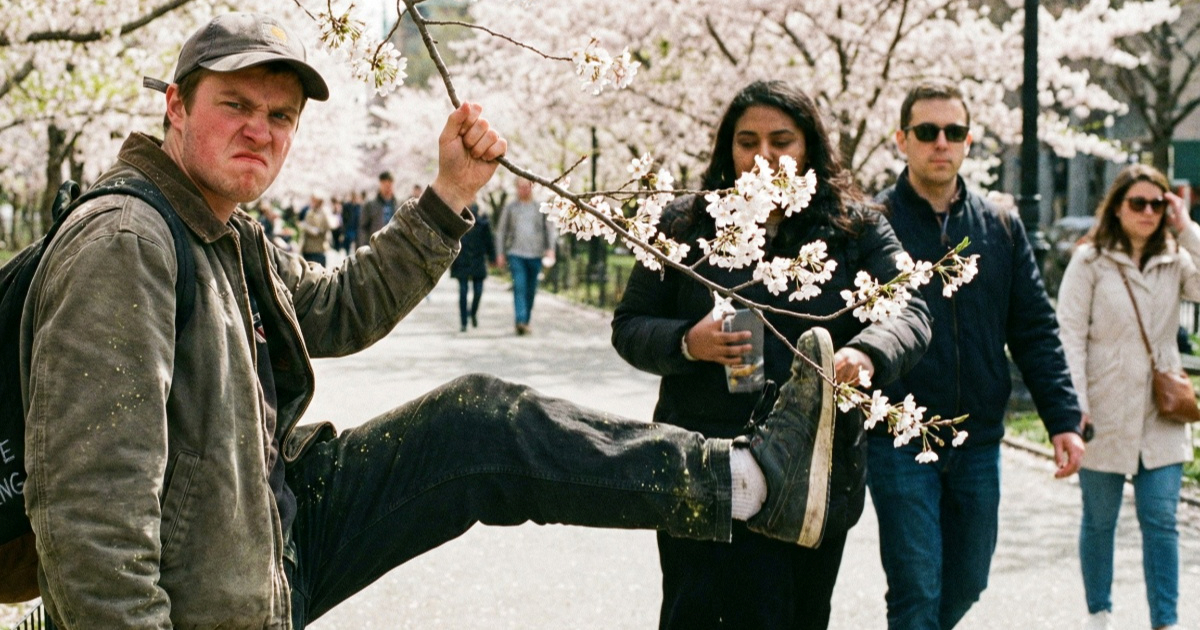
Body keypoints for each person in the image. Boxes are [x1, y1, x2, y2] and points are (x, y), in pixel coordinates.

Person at [19, 13, 846, 628]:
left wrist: (449, 193)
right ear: (174, 106)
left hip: (264, 542)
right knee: (477, 426)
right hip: (210, 593)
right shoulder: (127, 242)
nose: (259, 131)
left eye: (280, 117)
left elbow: (338, 308)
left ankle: (748, 482)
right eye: (235, 105)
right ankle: (752, 483)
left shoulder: (226, 234)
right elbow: (92, 506)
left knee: (477, 423)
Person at [612, 80, 933, 630]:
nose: (764, 157)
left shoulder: (855, 227)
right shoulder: (685, 223)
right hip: (703, 460)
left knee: (798, 614)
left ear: (809, 146)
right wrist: (689, 341)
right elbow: (629, 326)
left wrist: (866, 354)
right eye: (747, 142)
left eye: (781, 141)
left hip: (811, 469)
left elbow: (910, 310)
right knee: (696, 613)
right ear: (727, 148)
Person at [867, 79, 1086, 630]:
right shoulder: (874, 224)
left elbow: (1034, 329)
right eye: (927, 131)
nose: (941, 142)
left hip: (978, 438)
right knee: (916, 586)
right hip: (899, 437)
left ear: (968, 141)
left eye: (954, 131)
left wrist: (1062, 419)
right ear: (902, 140)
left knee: (969, 580)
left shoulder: (1001, 226)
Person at [1057, 164, 1197, 630]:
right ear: (1117, 207)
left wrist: (1188, 226)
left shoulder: (1176, 259)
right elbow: (1070, 335)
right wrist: (1076, 406)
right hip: (1103, 408)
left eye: (1157, 204)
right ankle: (1099, 613)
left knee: (1161, 519)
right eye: (1138, 202)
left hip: (1162, 411)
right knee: (1100, 520)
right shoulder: (1090, 261)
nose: (1148, 212)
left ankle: (1167, 622)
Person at [496, 177, 555, 335]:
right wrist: (500, 253)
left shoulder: (540, 207)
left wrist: (551, 249)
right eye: (520, 187)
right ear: (516, 188)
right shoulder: (511, 207)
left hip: (536, 254)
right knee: (519, 286)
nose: (524, 190)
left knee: (531, 289)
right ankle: (520, 320)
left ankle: (526, 321)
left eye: (527, 186)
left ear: (532, 187)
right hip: (516, 253)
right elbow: (501, 231)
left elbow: (549, 229)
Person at [450, 201, 496, 332]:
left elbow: (489, 241)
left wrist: (492, 257)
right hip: (461, 259)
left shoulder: (483, 222)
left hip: (478, 259)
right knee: (463, 292)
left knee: (478, 291)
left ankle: (473, 313)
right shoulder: (456, 218)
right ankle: (463, 321)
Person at [357, 170, 396, 247]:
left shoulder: (398, 204)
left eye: (390, 185)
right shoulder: (370, 205)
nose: (388, 188)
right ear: (380, 184)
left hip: (394, 246)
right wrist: (364, 246)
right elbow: (363, 228)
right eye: (385, 185)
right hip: (376, 246)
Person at [300, 194, 332, 265]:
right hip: (307, 249)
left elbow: (320, 230)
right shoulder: (309, 212)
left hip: (318, 249)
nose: (312, 203)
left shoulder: (323, 214)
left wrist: (306, 227)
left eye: (314, 201)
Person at [340, 191, 362, 255]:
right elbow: (343, 217)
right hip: (348, 228)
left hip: (356, 228)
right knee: (348, 246)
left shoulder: (359, 206)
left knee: (356, 245)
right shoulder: (346, 206)